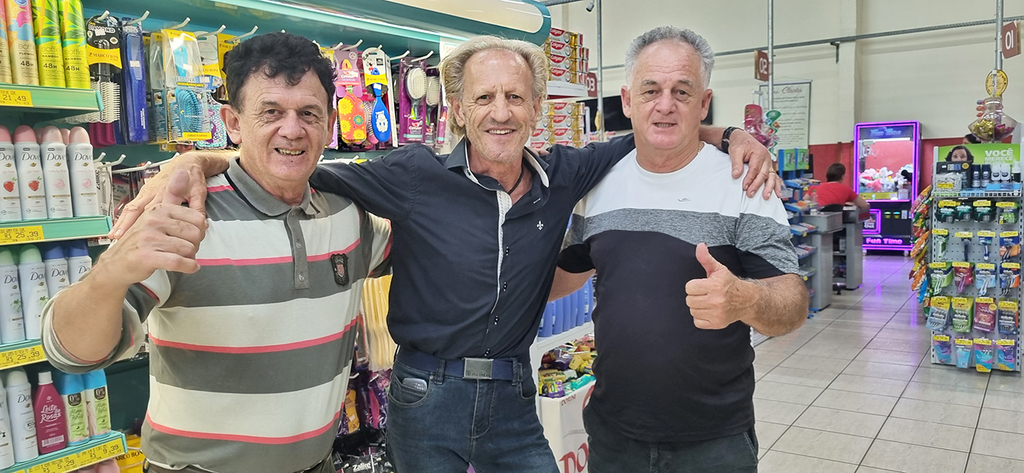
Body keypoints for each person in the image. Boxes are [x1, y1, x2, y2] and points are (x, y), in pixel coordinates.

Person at [112, 35, 780, 472]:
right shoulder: (411, 173)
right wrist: (201, 157)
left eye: (515, 96)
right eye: (483, 97)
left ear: (536, 108)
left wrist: (729, 136)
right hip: (423, 395)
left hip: (517, 394)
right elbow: (295, 161)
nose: (500, 111)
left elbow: (654, 131)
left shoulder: (568, 173)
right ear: (457, 109)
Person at [40, 32, 392, 473]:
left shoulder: (347, 216)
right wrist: (108, 274)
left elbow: (433, 248)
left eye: (308, 113)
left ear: (329, 122)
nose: (292, 128)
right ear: (232, 122)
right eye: (270, 112)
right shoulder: (183, 213)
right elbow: (70, 353)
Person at [548, 27, 809, 473]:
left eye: (681, 91)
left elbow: (793, 303)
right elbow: (564, 277)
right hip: (614, 436)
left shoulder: (745, 184)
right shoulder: (597, 184)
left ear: (703, 103)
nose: (665, 104)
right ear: (628, 100)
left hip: (713, 442)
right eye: (651, 90)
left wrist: (745, 299)